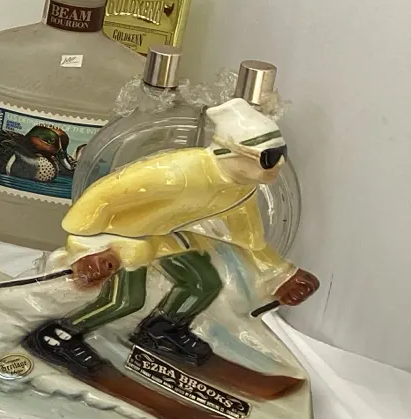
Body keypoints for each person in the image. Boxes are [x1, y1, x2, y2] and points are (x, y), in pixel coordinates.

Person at [26, 97, 319, 374]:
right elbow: (100, 196)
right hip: (117, 238)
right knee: (127, 300)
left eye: (282, 155)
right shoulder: (177, 174)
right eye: (270, 157)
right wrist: (85, 250)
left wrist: (283, 274)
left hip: (164, 237)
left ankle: (162, 329)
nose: (279, 165)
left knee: (204, 282)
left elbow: (250, 239)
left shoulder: (241, 190)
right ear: (231, 151)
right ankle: (61, 334)